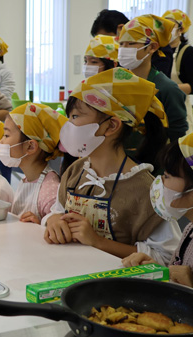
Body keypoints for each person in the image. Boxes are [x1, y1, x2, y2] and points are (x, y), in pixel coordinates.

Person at [43, 68, 181, 265]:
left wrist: (98, 242)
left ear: (111, 126)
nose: (68, 125)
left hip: (118, 289)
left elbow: (166, 257)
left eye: (75, 117)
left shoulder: (147, 190)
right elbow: (56, 211)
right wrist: (53, 221)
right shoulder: (75, 171)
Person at [122, 132, 193, 287]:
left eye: (167, 176)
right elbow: (177, 277)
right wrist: (159, 270)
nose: (159, 182)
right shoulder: (189, 230)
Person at [118, 14, 188, 143]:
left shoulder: (167, 89)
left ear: (152, 47)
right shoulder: (117, 83)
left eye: (131, 43)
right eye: (121, 44)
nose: (123, 49)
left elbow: (177, 136)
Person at [0, 103, 68, 223]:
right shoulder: (28, 179)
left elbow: (58, 229)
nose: (1, 141)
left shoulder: (50, 191)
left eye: (6, 135)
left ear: (30, 146)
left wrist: (41, 225)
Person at [91, 9, 173, 77]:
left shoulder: (161, 53)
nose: (104, 44)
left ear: (120, 29)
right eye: (121, 44)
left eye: (106, 39)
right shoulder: (121, 54)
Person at [163, 9, 193, 134]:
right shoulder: (157, 51)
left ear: (180, 30)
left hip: (180, 108)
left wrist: (168, 90)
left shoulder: (188, 52)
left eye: (171, 26)